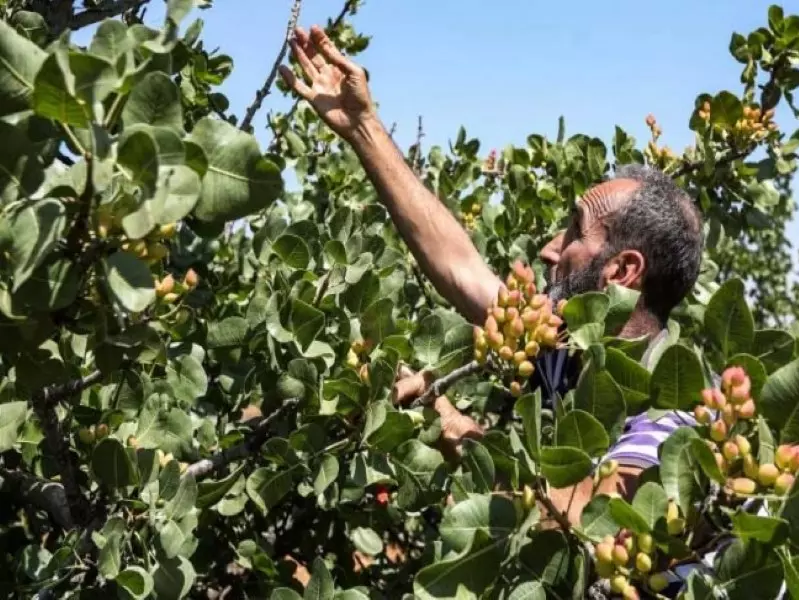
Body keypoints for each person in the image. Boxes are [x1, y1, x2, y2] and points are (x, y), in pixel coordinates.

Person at [277, 26, 704, 526]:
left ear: (622, 270)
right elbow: (460, 268)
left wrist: (453, 425)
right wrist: (363, 127)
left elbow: (591, 527)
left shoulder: (677, 414)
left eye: (574, 231)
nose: (548, 249)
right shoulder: (569, 344)